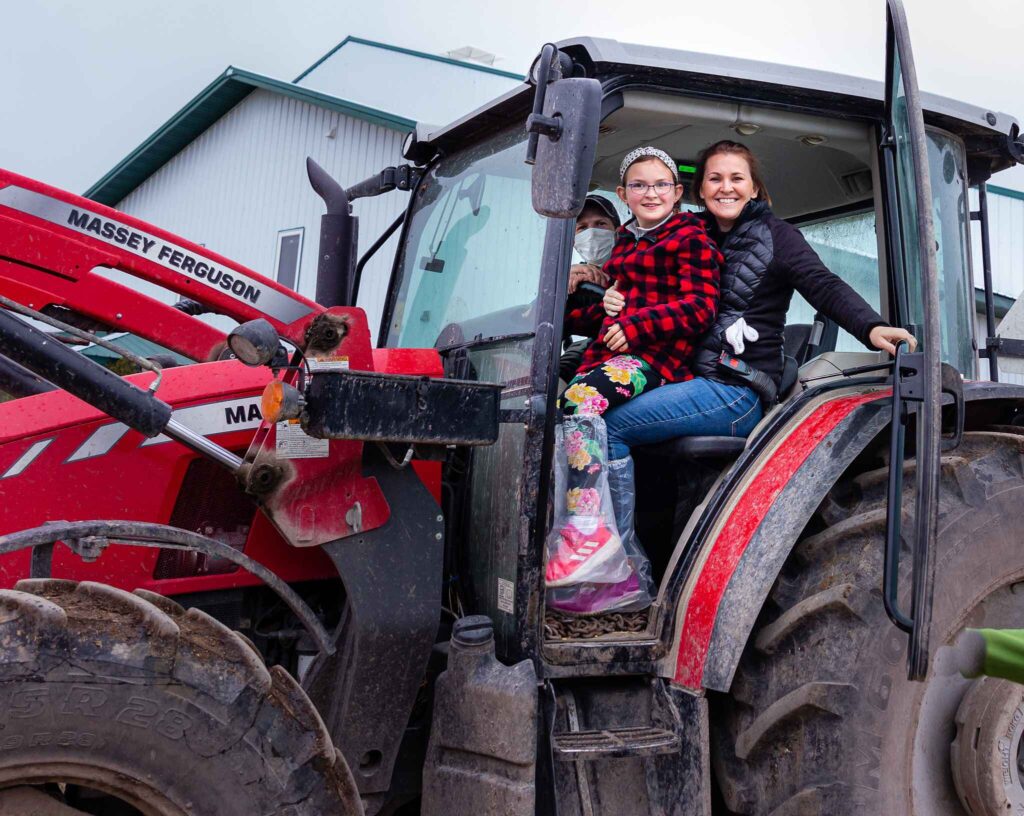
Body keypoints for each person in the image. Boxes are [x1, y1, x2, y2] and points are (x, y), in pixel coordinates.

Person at [601, 139, 916, 464]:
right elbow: (638, 267)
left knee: (609, 426)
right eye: (715, 179)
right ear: (701, 191)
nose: (726, 188)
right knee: (593, 404)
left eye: (737, 178)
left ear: (753, 189)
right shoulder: (687, 234)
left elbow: (822, 284)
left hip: (735, 388)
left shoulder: (777, 236)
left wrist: (872, 326)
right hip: (685, 375)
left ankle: (593, 517)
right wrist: (596, 278)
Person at [545, 146, 722, 606]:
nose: (651, 193)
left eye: (661, 184)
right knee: (561, 406)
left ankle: (591, 530)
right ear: (624, 193)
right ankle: (611, 556)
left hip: (658, 361)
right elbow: (610, 309)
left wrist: (635, 324)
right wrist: (583, 301)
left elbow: (701, 306)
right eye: (640, 185)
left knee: (581, 399)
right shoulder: (624, 242)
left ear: (678, 193)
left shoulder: (691, 238)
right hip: (616, 357)